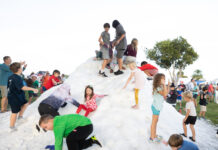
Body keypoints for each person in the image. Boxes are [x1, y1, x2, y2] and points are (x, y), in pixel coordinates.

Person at [7, 62, 38, 132]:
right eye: (21, 67)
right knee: (14, 112)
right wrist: (33, 89)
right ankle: (12, 126)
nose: (22, 68)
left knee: (26, 104)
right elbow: (22, 87)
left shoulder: (11, 76)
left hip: (17, 95)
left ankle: (20, 117)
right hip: (15, 97)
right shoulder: (17, 77)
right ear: (18, 69)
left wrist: (20, 63)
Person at [149, 73, 170, 142]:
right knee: (154, 122)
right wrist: (164, 85)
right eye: (163, 79)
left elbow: (166, 93)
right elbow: (165, 94)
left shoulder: (160, 87)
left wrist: (168, 85)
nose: (164, 80)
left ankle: (154, 135)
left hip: (157, 107)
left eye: (164, 79)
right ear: (158, 80)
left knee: (156, 121)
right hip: (155, 107)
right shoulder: (158, 88)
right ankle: (152, 137)